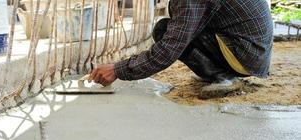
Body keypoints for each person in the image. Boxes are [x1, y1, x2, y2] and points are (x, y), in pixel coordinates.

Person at [89, 0, 273, 99]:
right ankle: (219, 71)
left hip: (246, 56)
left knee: (165, 31)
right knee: (174, 28)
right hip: (253, 52)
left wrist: (117, 69)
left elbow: (170, 48)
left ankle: (223, 77)